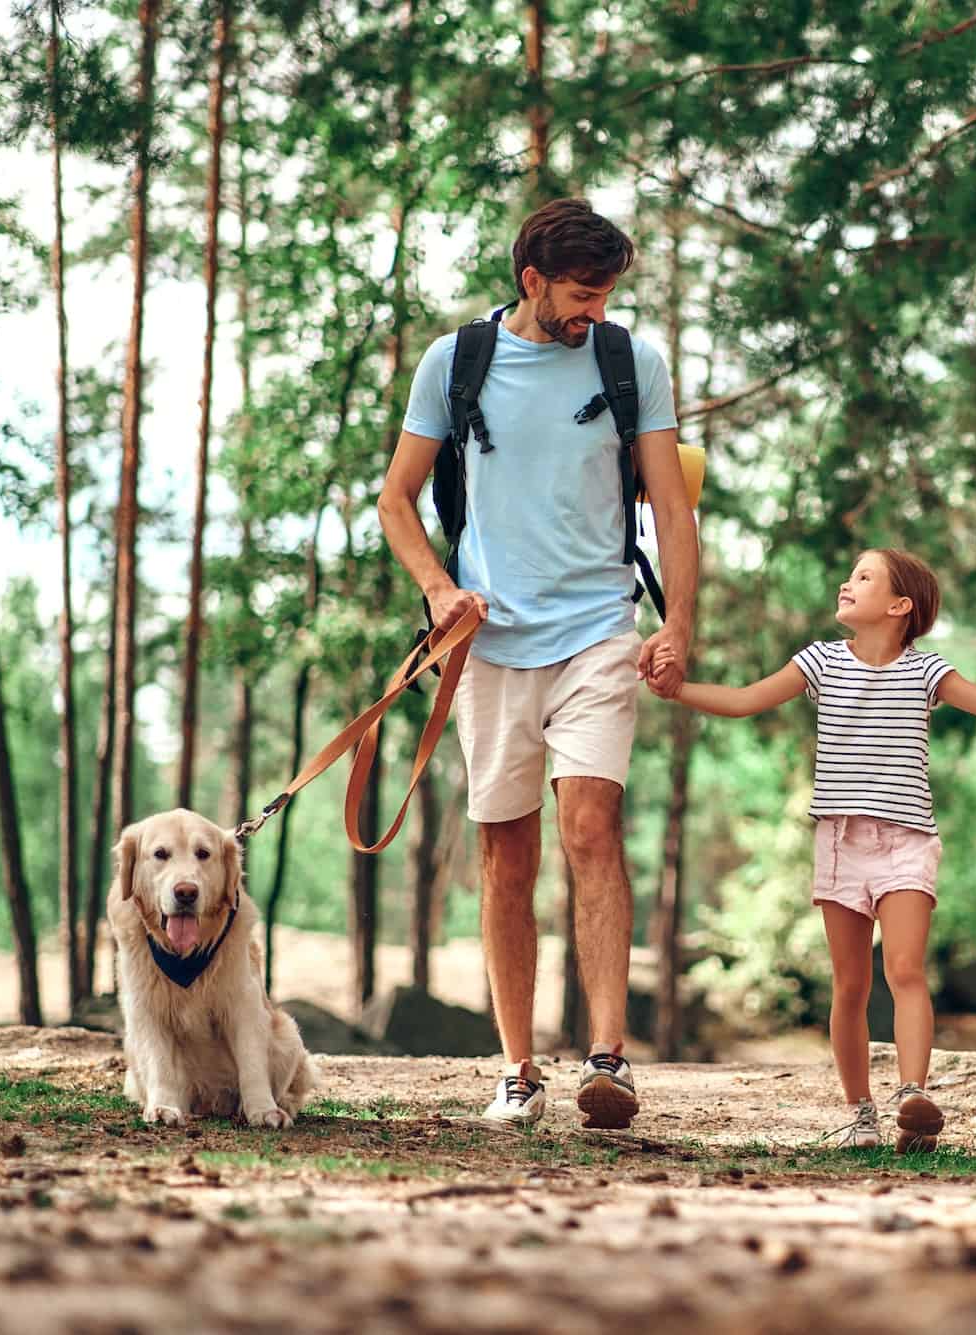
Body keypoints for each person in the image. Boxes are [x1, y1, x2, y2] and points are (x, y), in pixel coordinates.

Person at [377, 198, 698, 1132]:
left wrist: (678, 620)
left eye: (606, 293)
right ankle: (517, 1067)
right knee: (504, 853)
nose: (594, 310)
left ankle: (608, 1058)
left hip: (600, 627)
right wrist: (441, 593)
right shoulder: (456, 363)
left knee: (591, 826)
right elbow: (397, 501)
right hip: (488, 642)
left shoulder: (629, 362)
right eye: (581, 293)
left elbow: (672, 509)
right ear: (531, 280)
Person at [651, 549, 976, 1150]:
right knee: (850, 984)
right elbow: (746, 700)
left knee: (904, 970)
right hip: (840, 841)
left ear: (900, 607)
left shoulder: (926, 672)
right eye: (849, 574)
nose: (848, 584)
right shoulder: (820, 662)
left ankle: (912, 1098)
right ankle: (860, 1113)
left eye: (864, 577)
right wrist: (678, 691)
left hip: (905, 841)